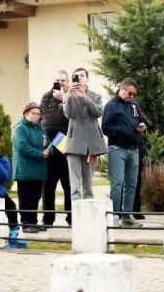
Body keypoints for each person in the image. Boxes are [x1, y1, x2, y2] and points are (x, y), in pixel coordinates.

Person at [102, 77, 148, 224]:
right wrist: (127, 130)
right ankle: (115, 215)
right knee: (117, 183)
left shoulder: (134, 104)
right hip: (117, 148)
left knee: (132, 183)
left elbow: (143, 118)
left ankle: (127, 215)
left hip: (134, 148)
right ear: (122, 89)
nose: (132, 96)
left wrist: (142, 124)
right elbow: (106, 128)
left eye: (134, 94)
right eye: (130, 93)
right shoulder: (111, 105)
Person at [62, 67, 106, 201]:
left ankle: (88, 218)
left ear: (87, 79)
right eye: (76, 76)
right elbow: (69, 114)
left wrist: (84, 97)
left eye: (82, 75)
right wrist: (69, 95)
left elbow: (98, 112)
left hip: (91, 146)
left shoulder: (95, 96)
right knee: (75, 188)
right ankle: (77, 218)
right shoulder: (69, 95)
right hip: (74, 144)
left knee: (88, 187)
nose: (80, 78)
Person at [38, 71, 72, 227]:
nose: (60, 83)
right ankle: (48, 218)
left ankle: (71, 217)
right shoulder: (46, 97)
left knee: (68, 184)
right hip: (50, 146)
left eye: (63, 80)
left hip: (66, 146)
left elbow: (73, 116)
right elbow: (41, 118)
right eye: (57, 80)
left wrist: (63, 98)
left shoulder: (71, 96)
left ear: (68, 82)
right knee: (49, 185)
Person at [12, 102, 48, 232]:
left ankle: (33, 222)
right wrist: (40, 154)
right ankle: (26, 224)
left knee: (35, 197)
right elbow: (22, 146)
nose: (36, 116)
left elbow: (48, 144)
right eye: (33, 113)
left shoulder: (40, 129)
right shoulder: (20, 128)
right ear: (26, 113)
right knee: (25, 197)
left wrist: (49, 151)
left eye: (38, 114)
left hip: (38, 170)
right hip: (25, 169)